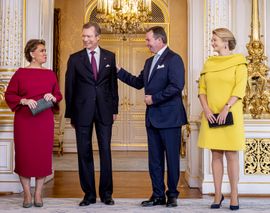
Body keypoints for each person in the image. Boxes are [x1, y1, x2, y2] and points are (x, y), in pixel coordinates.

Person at [117, 26, 187, 208]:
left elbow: (176, 86)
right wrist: (119, 71)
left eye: (148, 40)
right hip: (152, 119)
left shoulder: (174, 59)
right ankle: (157, 195)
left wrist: (154, 98)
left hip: (171, 118)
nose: (146, 43)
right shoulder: (149, 62)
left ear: (159, 40)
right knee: (154, 159)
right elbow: (138, 82)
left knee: (171, 159)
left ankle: (172, 194)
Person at [64, 22, 119, 206]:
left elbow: (113, 86)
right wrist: (70, 114)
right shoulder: (74, 59)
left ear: (98, 37)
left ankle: (106, 193)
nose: (85, 39)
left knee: (105, 151)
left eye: (89, 36)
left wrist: (114, 109)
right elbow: (69, 87)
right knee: (84, 152)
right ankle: (88, 194)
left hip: (105, 111)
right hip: (82, 112)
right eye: (83, 36)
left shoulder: (110, 57)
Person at [5, 39, 62, 208]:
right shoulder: (20, 73)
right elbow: (9, 95)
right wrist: (23, 100)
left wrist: (53, 97)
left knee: (42, 158)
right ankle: (27, 195)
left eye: (45, 51)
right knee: (24, 157)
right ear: (32, 54)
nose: (45, 53)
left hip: (44, 121)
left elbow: (58, 95)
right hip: (24, 122)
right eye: (42, 51)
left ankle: (38, 194)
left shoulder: (50, 74)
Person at [197, 28, 247, 211]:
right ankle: (218, 195)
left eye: (214, 39)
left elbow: (240, 89)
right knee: (215, 154)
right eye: (212, 39)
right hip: (211, 114)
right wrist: (207, 109)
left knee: (231, 155)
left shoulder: (239, 63)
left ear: (225, 41)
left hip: (231, 114)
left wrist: (227, 107)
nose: (212, 42)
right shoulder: (208, 63)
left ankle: (234, 195)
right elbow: (201, 89)